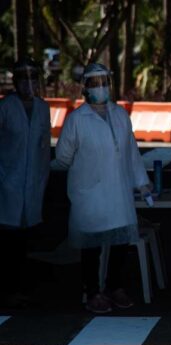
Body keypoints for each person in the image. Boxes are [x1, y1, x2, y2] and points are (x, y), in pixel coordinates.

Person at [52, 63, 151, 314]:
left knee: (120, 242)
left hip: (118, 191)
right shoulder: (76, 120)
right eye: (94, 83)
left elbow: (131, 153)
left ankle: (114, 287)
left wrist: (141, 182)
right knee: (92, 247)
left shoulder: (120, 115)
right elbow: (63, 158)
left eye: (104, 82)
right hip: (90, 193)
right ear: (85, 88)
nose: (101, 88)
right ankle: (92, 292)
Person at [0, 58, 51, 307]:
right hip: (8, 182)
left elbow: (43, 148)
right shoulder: (6, 107)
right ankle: (7, 289)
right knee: (7, 239)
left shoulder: (43, 108)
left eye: (33, 77)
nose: (28, 83)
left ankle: (18, 288)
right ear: (15, 81)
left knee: (23, 241)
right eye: (23, 77)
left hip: (33, 183)